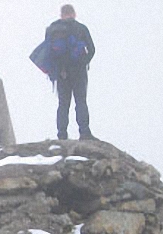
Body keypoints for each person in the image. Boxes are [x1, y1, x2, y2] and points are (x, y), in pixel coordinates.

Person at [45, 4, 97, 141]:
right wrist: (83, 62)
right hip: (78, 71)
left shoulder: (52, 29)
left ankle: (62, 134)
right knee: (80, 101)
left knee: (63, 104)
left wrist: (56, 69)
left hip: (62, 73)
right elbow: (92, 49)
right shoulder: (81, 28)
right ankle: (84, 132)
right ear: (74, 13)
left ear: (61, 14)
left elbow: (47, 52)